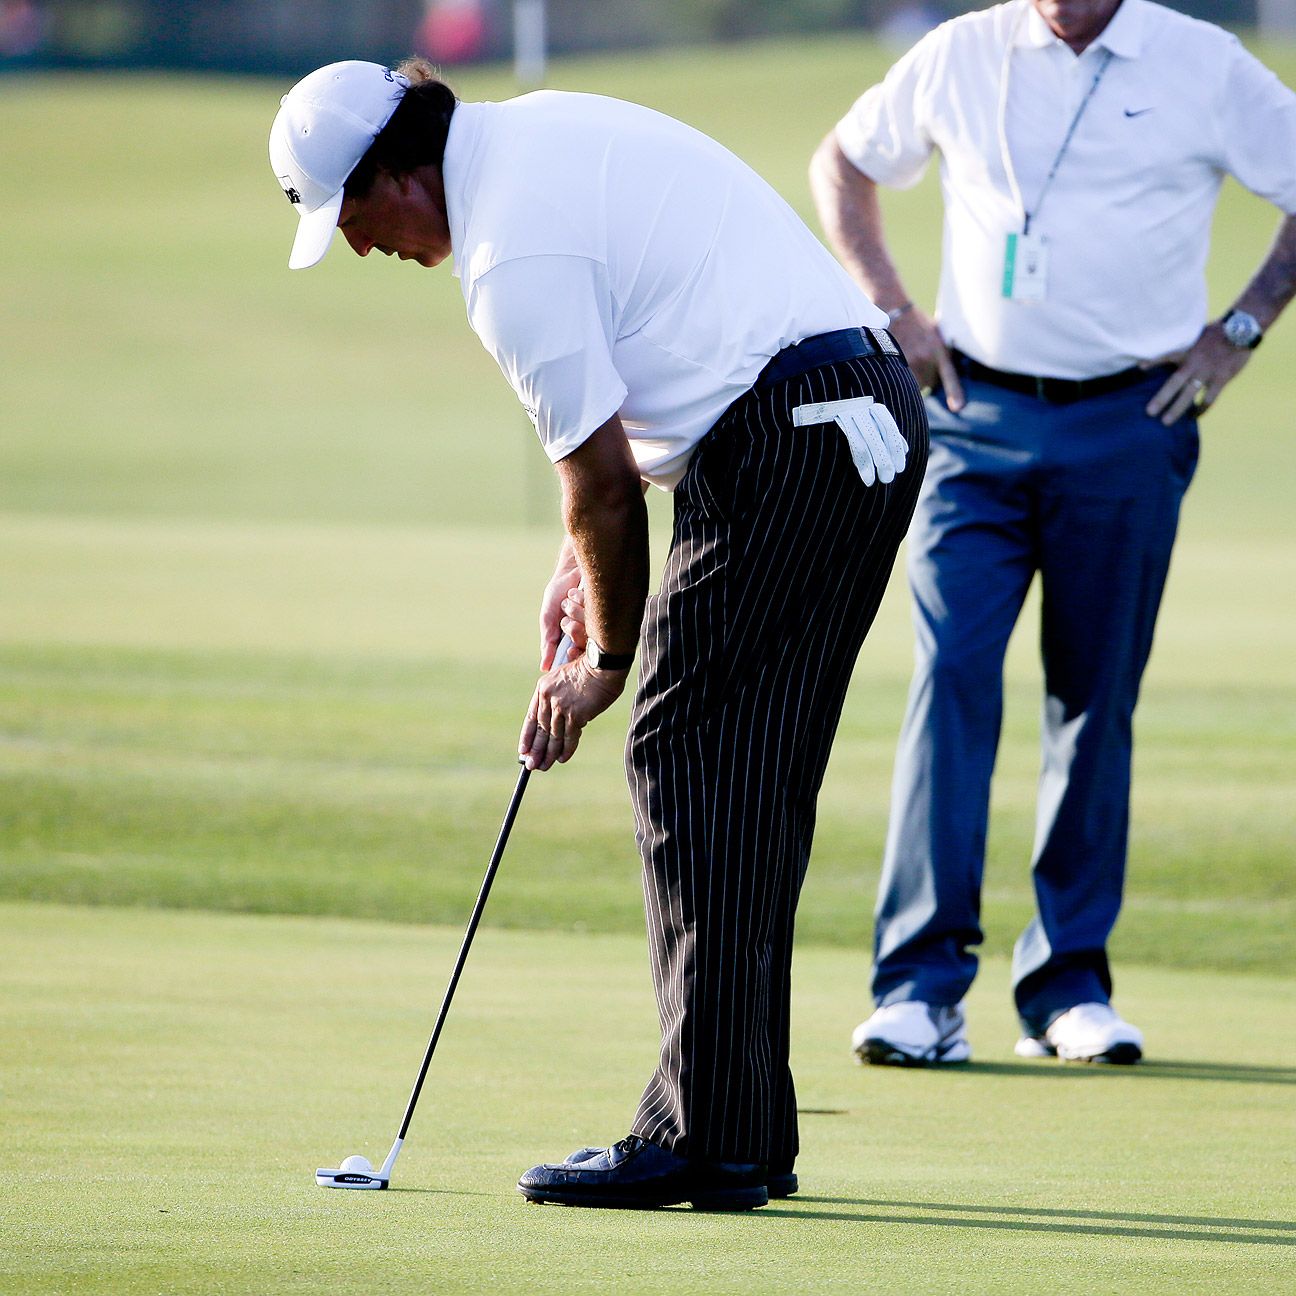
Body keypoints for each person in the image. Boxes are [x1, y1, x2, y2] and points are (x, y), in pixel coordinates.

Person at [269, 58, 928, 1208]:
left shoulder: (505, 252)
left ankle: (699, 1135)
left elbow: (606, 490)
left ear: (399, 174)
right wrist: (582, 573)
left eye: (356, 216)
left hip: (791, 436)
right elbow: (626, 438)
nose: (365, 247)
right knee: (746, 771)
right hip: (858, 414)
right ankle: (739, 1139)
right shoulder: (537, 136)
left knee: (678, 749)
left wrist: (602, 664)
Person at [809, 0, 1296, 1068]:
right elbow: (842, 164)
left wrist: (1243, 329)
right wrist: (891, 306)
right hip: (972, 416)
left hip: (1132, 420)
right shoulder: (961, 51)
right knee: (952, 681)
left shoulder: (1200, 62)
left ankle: (1066, 986)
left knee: (1093, 696)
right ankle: (920, 990)